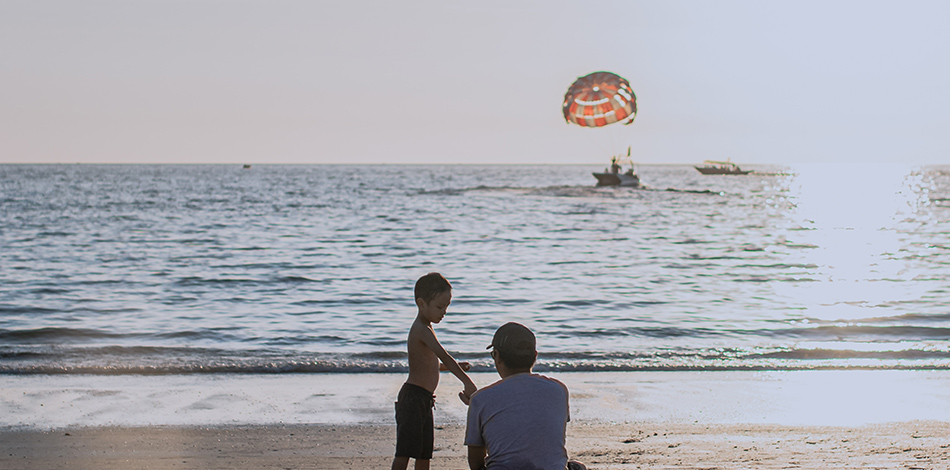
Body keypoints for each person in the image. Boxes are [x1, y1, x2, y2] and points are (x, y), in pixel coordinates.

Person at [464, 322, 586, 470]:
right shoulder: (558, 389)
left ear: (497, 356)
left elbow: (475, 462)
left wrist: (477, 408)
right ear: (535, 356)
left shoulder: (480, 398)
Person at [392, 272, 478, 470]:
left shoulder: (427, 328)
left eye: (447, 307)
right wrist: (467, 382)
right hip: (412, 398)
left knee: (424, 454)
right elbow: (444, 355)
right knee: (405, 452)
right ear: (422, 304)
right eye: (440, 307)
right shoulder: (421, 329)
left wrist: (450, 367)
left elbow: (431, 364)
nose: (444, 312)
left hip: (424, 398)